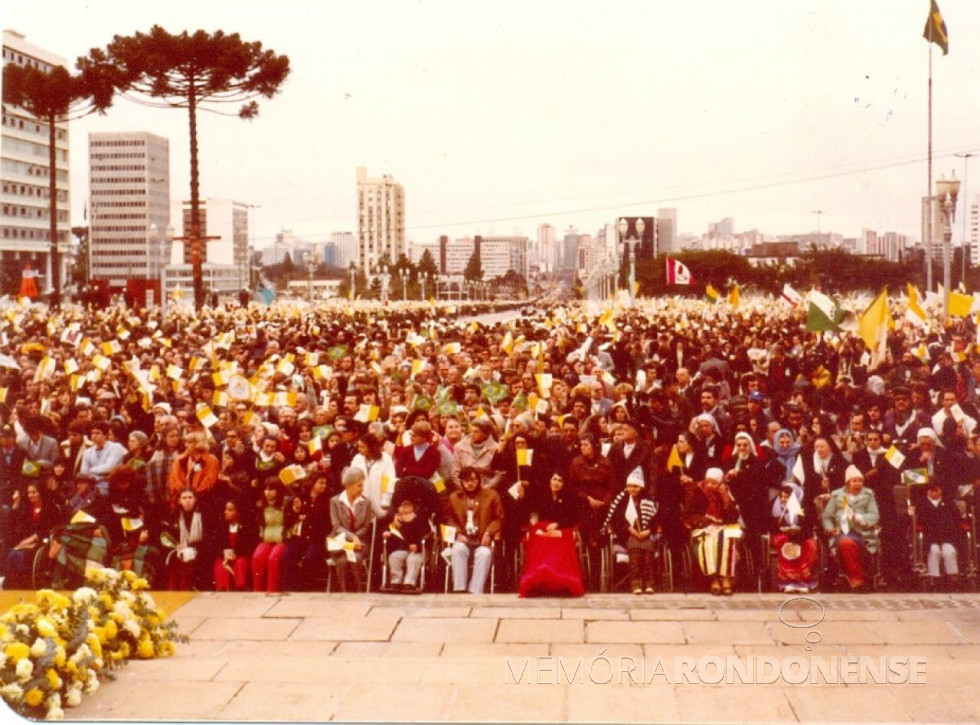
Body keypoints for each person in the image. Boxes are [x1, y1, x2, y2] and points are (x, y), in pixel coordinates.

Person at [518, 472, 584, 597]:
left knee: (559, 547)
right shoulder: (541, 495)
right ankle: (538, 576)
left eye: (560, 480)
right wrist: (522, 496)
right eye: (554, 479)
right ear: (549, 480)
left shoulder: (570, 497)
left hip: (563, 528)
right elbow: (528, 510)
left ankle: (559, 579)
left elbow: (574, 517)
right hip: (543, 527)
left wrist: (558, 524)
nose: (556, 483)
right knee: (539, 544)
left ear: (564, 484)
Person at [684, 467, 743, 596]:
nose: (710, 485)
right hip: (703, 527)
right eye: (708, 481)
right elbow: (688, 515)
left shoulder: (726, 491)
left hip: (724, 526)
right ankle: (714, 579)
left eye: (714, 483)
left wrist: (724, 497)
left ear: (720, 482)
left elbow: (733, 516)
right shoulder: (697, 490)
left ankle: (726, 578)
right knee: (710, 543)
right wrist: (706, 520)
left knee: (728, 540)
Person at [445, 466, 503, 594]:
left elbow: (499, 519)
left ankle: (475, 591)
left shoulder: (491, 495)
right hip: (464, 538)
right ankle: (459, 589)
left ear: (479, 480)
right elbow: (449, 519)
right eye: (466, 481)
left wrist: (489, 532)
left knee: (484, 554)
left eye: (472, 480)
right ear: (461, 482)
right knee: (458, 549)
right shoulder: (454, 497)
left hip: (482, 538)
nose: (470, 484)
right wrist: (458, 533)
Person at [821, 465, 879, 591]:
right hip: (842, 531)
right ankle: (856, 580)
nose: (857, 484)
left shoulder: (868, 494)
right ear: (848, 482)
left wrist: (858, 518)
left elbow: (874, 515)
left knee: (855, 545)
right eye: (854, 481)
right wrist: (830, 528)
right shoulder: (837, 495)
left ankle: (860, 576)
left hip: (863, 532)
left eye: (860, 481)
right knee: (846, 542)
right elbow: (827, 516)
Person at [603, 467, 659, 594]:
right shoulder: (621, 501)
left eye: (635, 486)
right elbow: (617, 519)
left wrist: (649, 531)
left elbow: (655, 520)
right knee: (635, 552)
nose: (632, 489)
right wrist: (630, 529)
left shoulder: (648, 501)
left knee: (648, 552)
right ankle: (636, 583)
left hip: (647, 535)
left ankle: (649, 583)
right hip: (627, 536)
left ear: (641, 487)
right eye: (629, 486)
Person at [3, 482, 60, 589]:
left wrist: (29, 542)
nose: (31, 495)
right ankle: (10, 584)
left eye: (34, 492)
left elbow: (47, 529)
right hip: (25, 540)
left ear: (40, 493)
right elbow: (14, 524)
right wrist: (16, 504)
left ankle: (23, 585)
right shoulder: (26, 507)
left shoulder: (50, 507)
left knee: (20, 555)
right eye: (29, 492)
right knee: (11, 552)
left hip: (42, 541)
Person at [328, 466, 375, 592]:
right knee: (342, 561)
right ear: (349, 486)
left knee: (355, 558)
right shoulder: (335, 501)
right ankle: (344, 592)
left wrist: (357, 538)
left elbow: (366, 526)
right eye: (359, 486)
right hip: (341, 543)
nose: (362, 489)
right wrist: (352, 538)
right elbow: (336, 526)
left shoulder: (366, 503)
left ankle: (358, 591)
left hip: (360, 544)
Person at [770, 483, 819, 593]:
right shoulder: (777, 507)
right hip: (783, 536)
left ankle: (804, 580)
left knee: (810, 545)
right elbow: (773, 527)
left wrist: (798, 532)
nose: (783, 499)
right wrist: (785, 529)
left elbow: (808, 526)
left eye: (786, 497)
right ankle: (788, 581)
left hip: (801, 536)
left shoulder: (805, 507)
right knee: (786, 544)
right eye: (781, 496)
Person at [915, 480, 963, 592]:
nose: (934, 493)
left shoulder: (949, 503)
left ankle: (953, 577)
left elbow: (957, 520)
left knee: (949, 551)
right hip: (930, 538)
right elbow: (919, 523)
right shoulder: (922, 505)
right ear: (928, 492)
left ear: (941, 491)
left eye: (937, 491)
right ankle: (934, 578)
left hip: (947, 537)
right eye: (932, 491)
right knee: (934, 551)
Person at [382, 495, 428, 592]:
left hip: (417, 550)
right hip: (402, 549)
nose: (404, 507)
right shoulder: (395, 520)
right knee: (394, 557)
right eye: (401, 505)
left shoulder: (419, 519)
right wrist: (386, 533)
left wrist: (417, 546)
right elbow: (387, 529)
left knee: (413, 559)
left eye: (407, 504)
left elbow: (426, 535)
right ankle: (396, 582)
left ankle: (409, 583)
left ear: (412, 506)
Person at [252, 478, 288, 593]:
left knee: (273, 559)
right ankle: (257, 590)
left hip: (282, 540)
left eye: (271, 490)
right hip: (267, 539)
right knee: (257, 557)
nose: (267, 492)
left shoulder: (285, 504)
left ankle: (272, 590)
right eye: (266, 489)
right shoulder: (261, 506)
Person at [166, 488, 206, 591]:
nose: (187, 500)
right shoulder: (175, 515)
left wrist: (192, 548)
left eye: (190, 497)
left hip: (201, 548)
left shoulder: (203, 514)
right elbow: (172, 536)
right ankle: (172, 591)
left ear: (195, 499)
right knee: (175, 558)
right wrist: (178, 545)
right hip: (182, 548)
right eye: (184, 498)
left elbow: (208, 539)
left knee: (187, 556)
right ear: (179, 501)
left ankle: (185, 589)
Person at [213, 497, 256, 591]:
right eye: (226, 509)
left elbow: (250, 545)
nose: (226, 512)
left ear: (238, 512)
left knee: (240, 563)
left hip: (240, 555)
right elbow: (216, 544)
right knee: (220, 567)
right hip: (225, 557)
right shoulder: (222, 525)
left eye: (230, 510)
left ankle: (240, 588)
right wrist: (223, 552)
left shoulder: (247, 526)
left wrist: (235, 552)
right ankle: (223, 590)